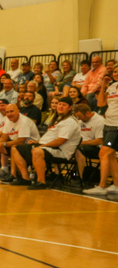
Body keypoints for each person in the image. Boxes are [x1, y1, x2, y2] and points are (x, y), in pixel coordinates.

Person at [9, 97, 80, 190]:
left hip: (61, 151)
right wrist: (37, 142)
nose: (61, 106)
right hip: (48, 147)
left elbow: (60, 141)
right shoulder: (58, 119)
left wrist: (42, 146)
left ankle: (41, 181)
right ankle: (25, 178)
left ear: (70, 108)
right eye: (60, 104)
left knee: (37, 151)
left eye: (64, 105)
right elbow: (51, 137)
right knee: (15, 148)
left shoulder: (69, 122)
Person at [84, 65, 118, 195]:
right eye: (114, 71)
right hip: (108, 124)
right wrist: (104, 85)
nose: (116, 74)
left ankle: (102, 186)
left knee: (104, 153)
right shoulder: (112, 87)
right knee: (111, 156)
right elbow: (101, 104)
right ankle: (116, 185)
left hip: (116, 126)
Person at [0, 104, 38, 181]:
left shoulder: (24, 121)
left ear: (18, 111)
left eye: (11, 111)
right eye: (7, 112)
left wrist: (3, 144)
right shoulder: (8, 121)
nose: (9, 114)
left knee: (14, 147)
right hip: (17, 144)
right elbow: (4, 136)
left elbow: (21, 141)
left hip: (31, 146)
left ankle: (13, 175)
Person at [71, 103, 104, 180]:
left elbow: (99, 141)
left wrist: (81, 143)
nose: (79, 119)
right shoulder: (80, 121)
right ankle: (57, 174)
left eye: (80, 117)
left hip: (96, 147)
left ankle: (79, 177)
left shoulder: (100, 121)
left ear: (87, 113)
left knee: (79, 149)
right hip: (81, 144)